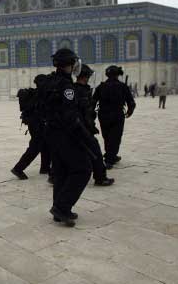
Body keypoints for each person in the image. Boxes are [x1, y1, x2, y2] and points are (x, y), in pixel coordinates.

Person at [40, 48, 93, 227]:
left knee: (61, 171)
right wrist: (84, 136)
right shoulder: (67, 87)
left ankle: (58, 210)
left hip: (50, 133)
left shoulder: (49, 81)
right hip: (64, 133)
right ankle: (62, 208)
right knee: (83, 168)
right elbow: (70, 116)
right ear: (69, 65)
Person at [73, 63, 115, 187]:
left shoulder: (76, 89)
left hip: (78, 127)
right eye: (88, 76)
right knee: (95, 151)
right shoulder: (81, 91)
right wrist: (90, 126)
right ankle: (100, 177)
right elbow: (84, 112)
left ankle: (55, 176)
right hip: (83, 128)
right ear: (84, 76)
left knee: (72, 152)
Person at [92, 65, 136, 169]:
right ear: (117, 75)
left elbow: (93, 102)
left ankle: (110, 155)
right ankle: (109, 159)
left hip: (103, 115)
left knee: (107, 136)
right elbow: (131, 102)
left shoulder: (101, 86)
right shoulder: (122, 86)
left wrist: (91, 115)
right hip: (117, 115)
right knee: (115, 137)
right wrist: (130, 111)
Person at [10, 76, 52, 181]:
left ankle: (45, 168)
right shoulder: (41, 94)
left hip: (34, 123)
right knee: (35, 147)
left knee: (45, 144)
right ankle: (18, 168)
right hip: (37, 124)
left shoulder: (36, 93)